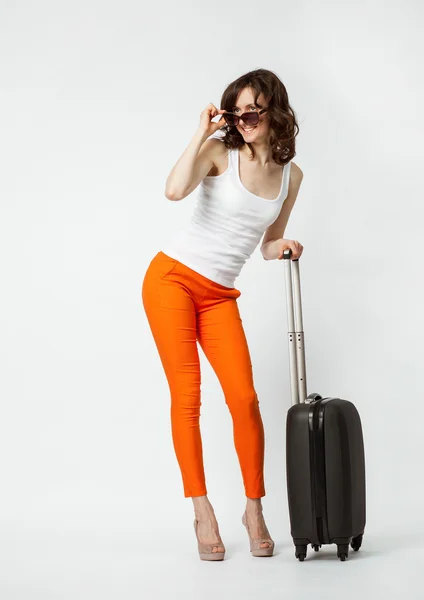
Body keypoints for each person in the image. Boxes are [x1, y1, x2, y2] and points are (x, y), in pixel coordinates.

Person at [142, 68, 304, 561]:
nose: (244, 119)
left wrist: (284, 247)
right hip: (171, 280)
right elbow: (172, 191)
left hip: (217, 295)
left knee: (245, 399)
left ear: (274, 109)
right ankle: (202, 509)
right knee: (187, 398)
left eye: (253, 109)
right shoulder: (220, 153)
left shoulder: (290, 176)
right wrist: (202, 132)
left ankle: (254, 509)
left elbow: (267, 242)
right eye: (237, 112)